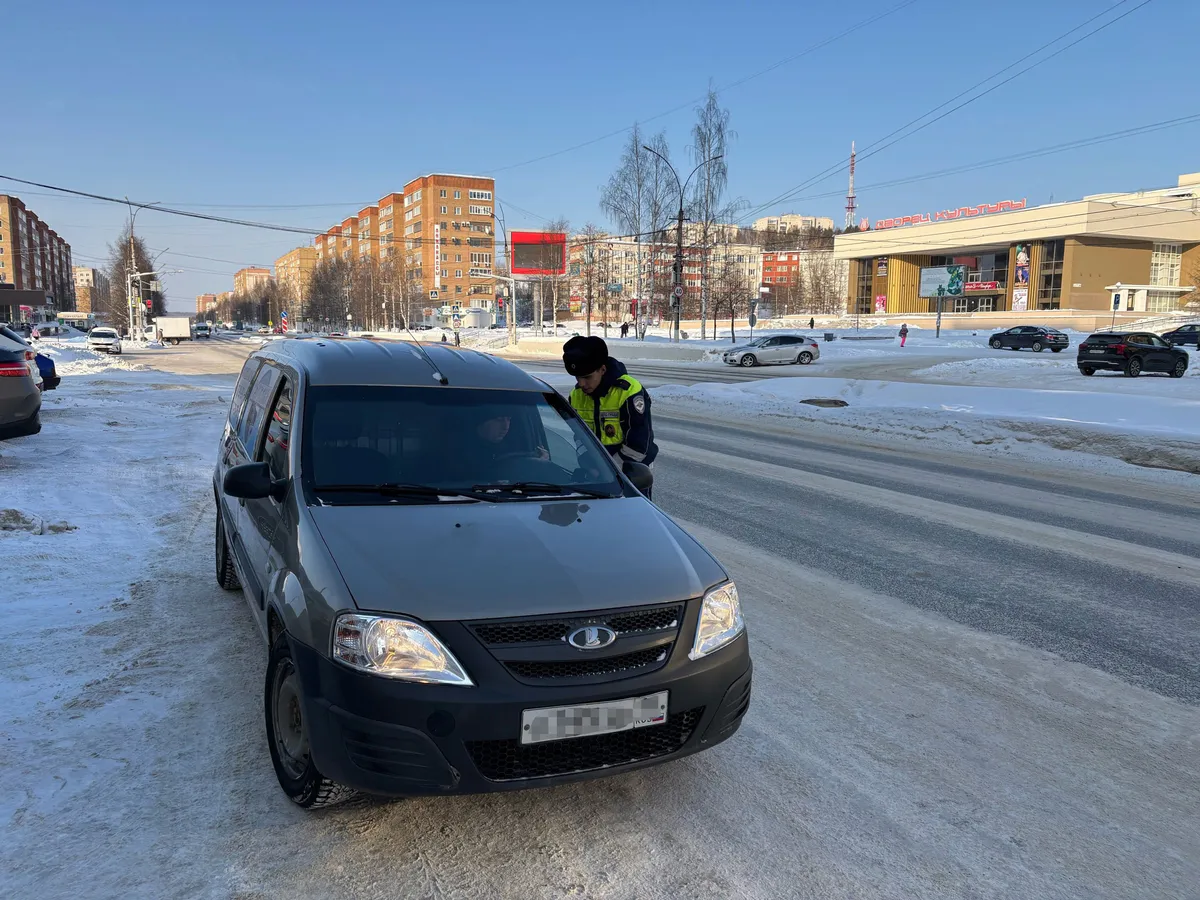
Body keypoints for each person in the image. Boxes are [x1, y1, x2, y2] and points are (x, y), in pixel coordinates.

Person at [563, 335, 657, 498]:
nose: (582, 384)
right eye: (577, 377)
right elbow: (579, 437)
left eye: (587, 377)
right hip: (596, 473)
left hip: (631, 474)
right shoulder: (576, 395)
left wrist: (611, 470)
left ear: (603, 369)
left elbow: (639, 443)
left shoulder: (628, 391)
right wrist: (589, 464)